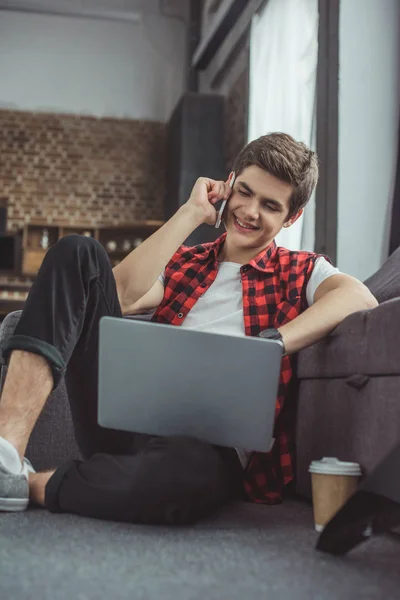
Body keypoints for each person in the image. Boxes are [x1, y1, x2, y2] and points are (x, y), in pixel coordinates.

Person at [0, 133, 377, 524]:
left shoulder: (302, 270)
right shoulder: (185, 263)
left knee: (176, 481)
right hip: (128, 419)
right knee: (76, 251)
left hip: (206, 450)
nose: (249, 211)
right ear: (228, 185)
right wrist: (191, 213)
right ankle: (6, 455)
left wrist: (275, 343)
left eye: (269, 205)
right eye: (244, 192)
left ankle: (27, 484)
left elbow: (359, 296)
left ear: (291, 216)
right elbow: (120, 296)